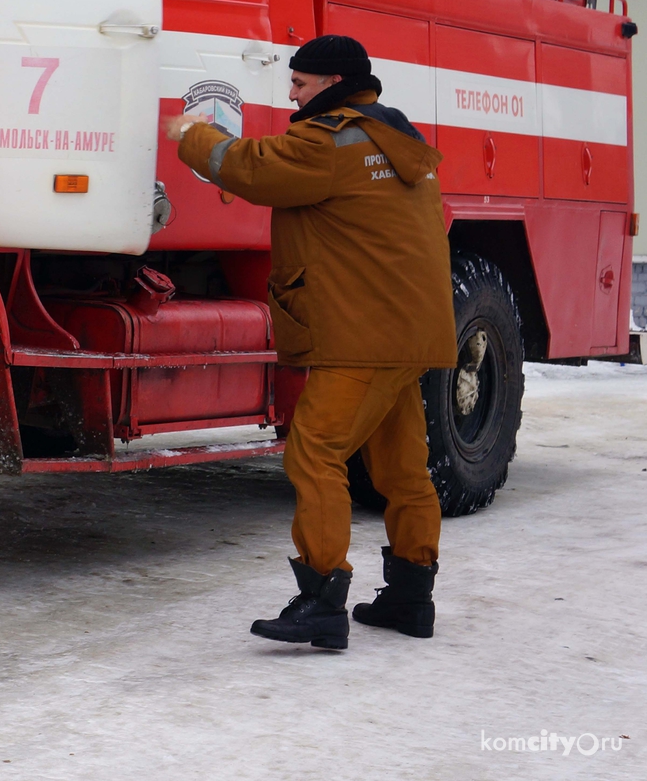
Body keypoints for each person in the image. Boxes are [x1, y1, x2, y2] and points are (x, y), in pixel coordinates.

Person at [164, 34, 457, 650]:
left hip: (364, 333)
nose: (291, 93)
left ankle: (322, 600)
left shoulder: (328, 141)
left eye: (298, 83)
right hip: (410, 332)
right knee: (402, 468)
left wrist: (189, 134)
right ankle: (411, 597)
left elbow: (249, 169)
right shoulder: (396, 138)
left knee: (314, 453)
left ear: (329, 83)